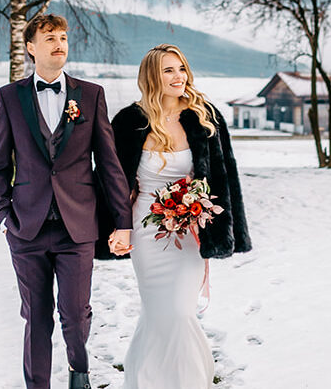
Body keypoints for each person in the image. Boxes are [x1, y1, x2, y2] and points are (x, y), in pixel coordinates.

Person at [0, 14, 133, 389]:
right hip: (26, 228)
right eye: (50, 37)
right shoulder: (10, 97)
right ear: (32, 48)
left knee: (75, 313)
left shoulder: (91, 95)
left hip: (78, 226)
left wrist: (123, 221)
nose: (59, 43)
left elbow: (110, 164)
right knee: (36, 315)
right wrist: (4, 216)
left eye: (64, 37)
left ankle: (78, 372)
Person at [107, 44, 252, 389]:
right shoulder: (129, 121)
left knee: (180, 311)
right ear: (151, 77)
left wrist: (224, 227)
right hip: (146, 229)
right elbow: (112, 180)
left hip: (192, 230)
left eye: (181, 69)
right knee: (158, 311)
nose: (178, 77)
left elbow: (224, 175)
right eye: (168, 71)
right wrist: (118, 227)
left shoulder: (205, 116)